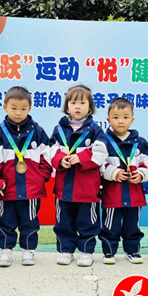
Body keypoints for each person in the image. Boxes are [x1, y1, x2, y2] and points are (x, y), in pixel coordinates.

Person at [0, 86, 52, 267]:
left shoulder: (38, 132)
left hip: (31, 189)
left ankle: (28, 250)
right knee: (6, 220)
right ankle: (6, 250)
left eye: (23, 108)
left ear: (30, 108)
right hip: (7, 188)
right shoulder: (0, 133)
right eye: (14, 108)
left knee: (30, 221)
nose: (18, 113)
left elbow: (47, 157)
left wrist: (41, 177)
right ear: (5, 107)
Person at [49, 84, 108, 267]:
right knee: (63, 221)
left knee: (88, 222)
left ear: (90, 107)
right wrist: (60, 159)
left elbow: (101, 152)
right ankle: (65, 250)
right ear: (66, 106)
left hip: (87, 189)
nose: (77, 106)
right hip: (64, 187)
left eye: (82, 103)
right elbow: (50, 150)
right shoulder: (59, 129)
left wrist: (81, 158)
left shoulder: (95, 130)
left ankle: (86, 251)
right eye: (73, 102)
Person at [99, 98, 148, 265]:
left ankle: (132, 251)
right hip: (112, 194)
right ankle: (109, 252)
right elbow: (99, 163)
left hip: (134, 194)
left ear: (132, 119)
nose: (120, 121)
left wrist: (142, 174)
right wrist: (113, 172)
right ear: (108, 120)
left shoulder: (140, 142)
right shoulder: (103, 141)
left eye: (125, 117)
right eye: (115, 117)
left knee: (133, 226)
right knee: (110, 225)